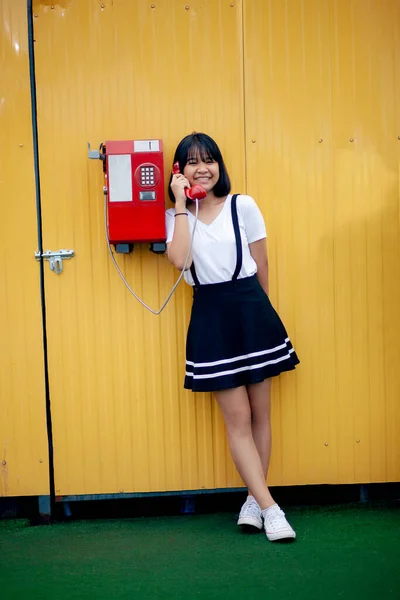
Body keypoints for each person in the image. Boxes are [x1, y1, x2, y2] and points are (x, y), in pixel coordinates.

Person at [165, 132, 299, 542]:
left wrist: (263, 317)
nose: (201, 168)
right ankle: (271, 508)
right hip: (210, 313)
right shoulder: (177, 217)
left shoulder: (243, 205)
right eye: (191, 162)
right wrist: (182, 204)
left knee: (261, 413)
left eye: (208, 160)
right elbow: (179, 260)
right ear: (179, 170)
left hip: (251, 308)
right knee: (238, 419)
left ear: (219, 165)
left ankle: (252, 501)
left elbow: (262, 265)